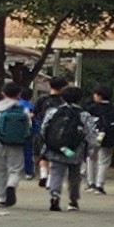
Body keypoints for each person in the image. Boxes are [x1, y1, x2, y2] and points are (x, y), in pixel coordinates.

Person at [38, 81, 94, 212]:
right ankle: (73, 201)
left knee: (56, 172)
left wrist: (50, 142)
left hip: (56, 148)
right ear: (80, 99)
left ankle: (55, 196)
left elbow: (44, 128)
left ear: (63, 97)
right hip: (74, 150)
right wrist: (91, 148)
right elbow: (90, 133)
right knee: (74, 175)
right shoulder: (83, 115)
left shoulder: (53, 112)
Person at [0, 80, 37, 207]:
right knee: (16, 168)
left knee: (0, 170)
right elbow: (29, 125)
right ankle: (11, 185)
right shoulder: (23, 109)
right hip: (17, 143)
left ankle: (1, 197)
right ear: (19, 94)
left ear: (3, 93)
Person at [88, 86, 114, 195]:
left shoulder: (91, 108)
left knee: (91, 159)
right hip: (109, 138)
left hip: (93, 137)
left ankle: (91, 183)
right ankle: (99, 185)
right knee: (104, 162)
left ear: (99, 96)